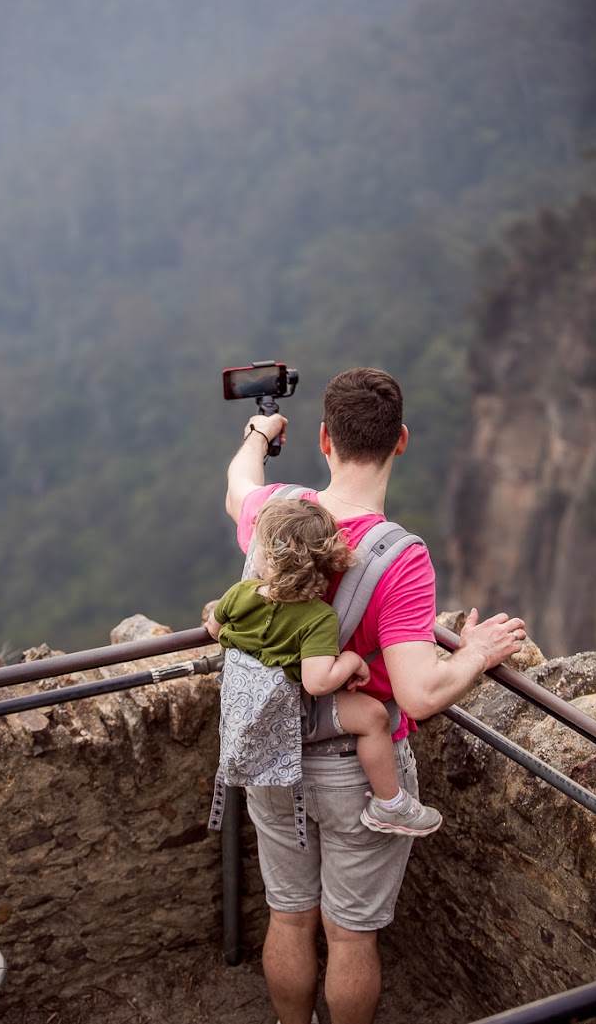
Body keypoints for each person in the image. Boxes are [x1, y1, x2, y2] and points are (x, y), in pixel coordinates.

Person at [223, 366, 526, 1024]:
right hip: (355, 775)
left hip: (270, 756)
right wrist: (472, 651)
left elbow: (235, 487)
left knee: (289, 912)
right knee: (350, 933)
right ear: (402, 441)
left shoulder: (276, 512)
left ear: (325, 439)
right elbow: (417, 694)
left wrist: (257, 430)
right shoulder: (400, 557)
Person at [206, 497, 442, 836]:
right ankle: (390, 803)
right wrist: (350, 661)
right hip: (288, 711)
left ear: (270, 560)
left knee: (287, 892)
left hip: (244, 714)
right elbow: (317, 682)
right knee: (374, 718)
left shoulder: (240, 594)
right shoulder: (317, 618)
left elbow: (214, 629)